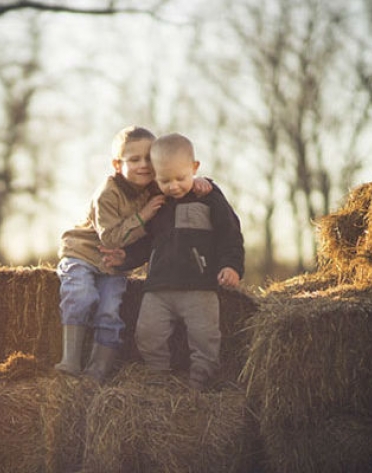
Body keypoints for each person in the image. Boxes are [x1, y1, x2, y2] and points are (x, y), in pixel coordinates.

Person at [55, 126, 211, 381]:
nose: (144, 165)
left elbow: (179, 180)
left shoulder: (156, 187)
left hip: (114, 264)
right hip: (82, 253)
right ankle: (70, 361)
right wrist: (143, 215)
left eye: (149, 159)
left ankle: (97, 371)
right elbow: (110, 239)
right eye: (134, 159)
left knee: (110, 311)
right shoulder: (107, 193)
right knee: (82, 295)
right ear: (117, 165)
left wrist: (200, 182)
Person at [105, 132, 244, 390]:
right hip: (159, 289)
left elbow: (230, 234)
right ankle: (158, 377)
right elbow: (149, 243)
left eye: (181, 178)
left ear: (195, 168)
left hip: (199, 287)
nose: (174, 186)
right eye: (165, 180)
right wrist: (126, 257)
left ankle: (200, 383)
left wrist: (232, 266)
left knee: (205, 338)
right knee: (147, 334)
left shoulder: (209, 197)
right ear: (155, 176)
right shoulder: (157, 204)